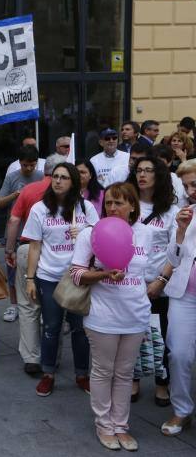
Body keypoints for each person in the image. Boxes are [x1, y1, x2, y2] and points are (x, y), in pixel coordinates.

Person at [70, 182, 152, 451]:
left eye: (119, 203)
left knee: (125, 373)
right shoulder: (91, 233)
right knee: (104, 371)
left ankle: (121, 426)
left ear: (132, 206)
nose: (113, 208)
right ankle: (104, 424)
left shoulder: (145, 233)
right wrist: (105, 273)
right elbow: (77, 274)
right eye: (109, 203)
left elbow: (143, 273)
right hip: (102, 316)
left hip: (136, 315)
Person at [22, 162, 99, 397]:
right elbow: (35, 246)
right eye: (55, 176)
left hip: (78, 277)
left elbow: (100, 240)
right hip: (48, 276)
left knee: (79, 329)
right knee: (51, 327)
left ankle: (82, 375)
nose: (58, 181)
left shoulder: (85, 207)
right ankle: (48, 375)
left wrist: (86, 232)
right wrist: (30, 278)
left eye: (64, 177)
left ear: (73, 182)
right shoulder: (39, 209)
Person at [5, 154, 68, 376]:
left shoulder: (29, 190)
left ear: (44, 171)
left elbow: (14, 220)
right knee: (55, 307)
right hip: (57, 253)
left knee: (27, 305)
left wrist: (10, 250)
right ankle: (54, 357)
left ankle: (32, 357)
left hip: (28, 248)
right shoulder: (68, 192)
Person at [128, 156, 178, 405]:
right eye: (139, 170)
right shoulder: (128, 205)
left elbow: (176, 251)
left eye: (148, 171)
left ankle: (162, 383)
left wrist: (160, 281)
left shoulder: (171, 211)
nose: (142, 175)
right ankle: (134, 381)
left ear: (159, 176)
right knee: (132, 336)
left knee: (162, 336)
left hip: (160, 286)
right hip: (129, 284)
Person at [160, 159, 196, 436]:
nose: (190, 190)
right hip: (184, 295)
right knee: (179, 354)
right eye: (186, 186)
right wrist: (181, 231)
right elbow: (172, 258)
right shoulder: (185, 214)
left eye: (194, 184)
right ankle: (182, 410)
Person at [0, 145, 44, 323]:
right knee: (12, 272)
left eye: (32, 165)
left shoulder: (41, 177)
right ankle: (14, 305)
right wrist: (17, 194)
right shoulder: (12, 177)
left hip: (36, 233)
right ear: (19, 163)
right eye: (25, 165)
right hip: (15, 233)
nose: (29, 168)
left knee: (37, 272)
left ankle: (37, 305)